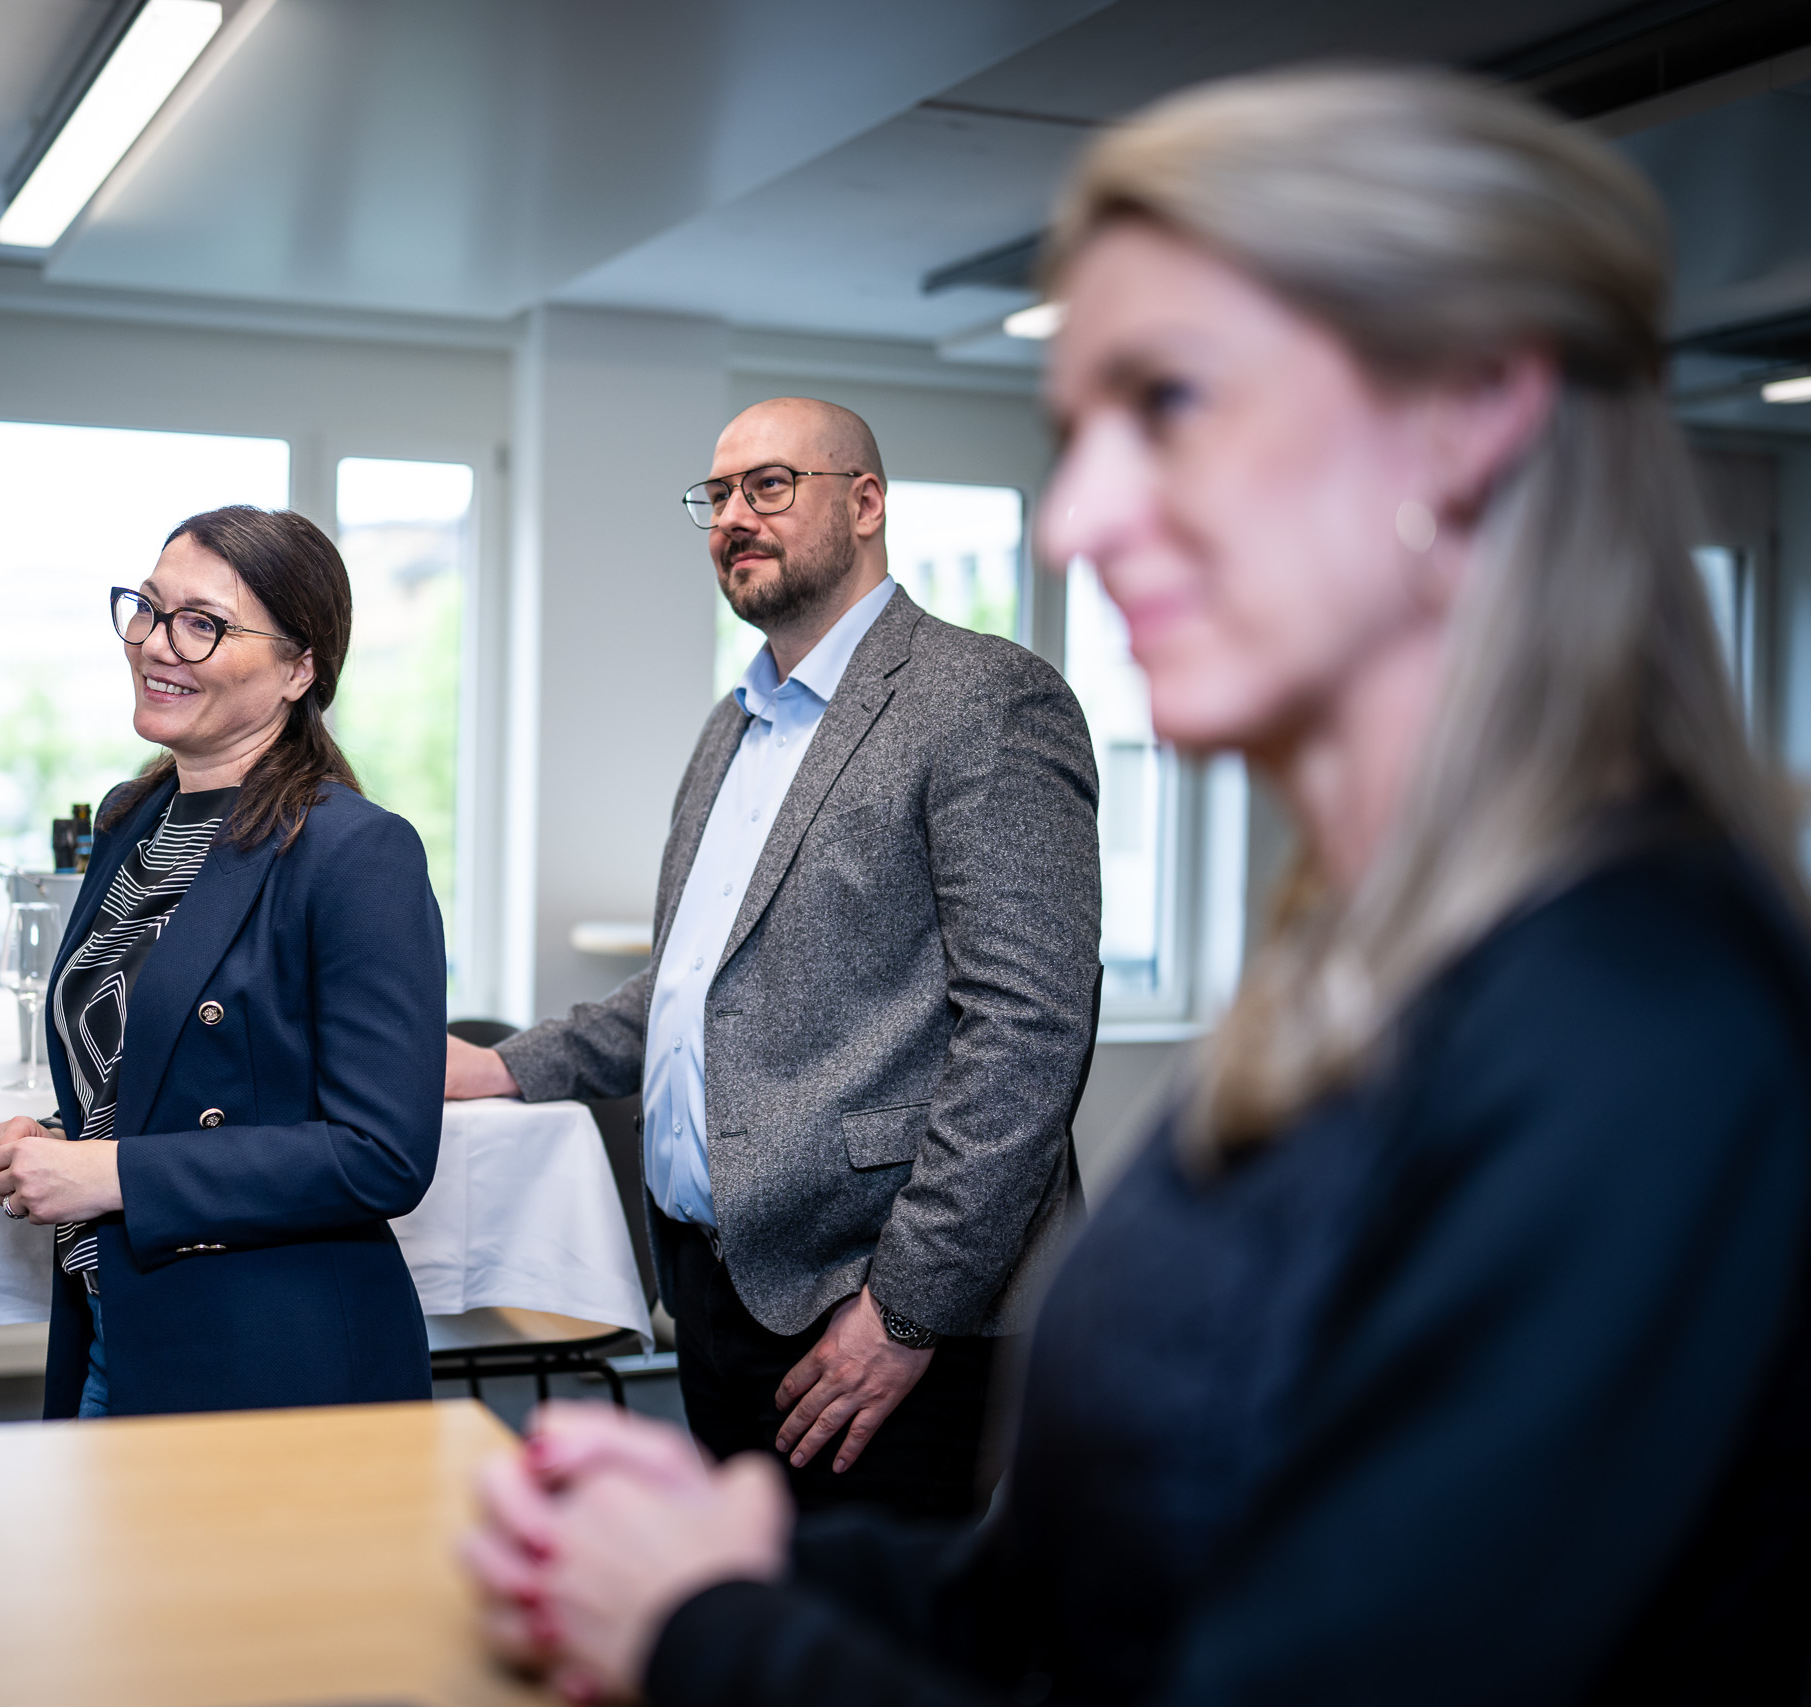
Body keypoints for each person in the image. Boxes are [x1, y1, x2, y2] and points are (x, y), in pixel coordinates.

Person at [461, 67, 1811, 1706]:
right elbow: (1083, 1608)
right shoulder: (1369, 980)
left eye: (1169, 402)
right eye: (1077, 434)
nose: (1083, 519)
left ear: (1468, 416)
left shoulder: (1642, 1041)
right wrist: (744, 1564)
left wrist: (702, 1632)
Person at [448, 396, 1103, 1519]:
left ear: (866, 503)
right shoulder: (735, 723)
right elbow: (690, 991)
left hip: (881, 1309)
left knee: (859, 1621)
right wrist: (506, 1066)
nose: (733, 518)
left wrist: (904, 1311)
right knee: (745, 1597)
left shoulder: (984, 698)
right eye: (716, 495)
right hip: (718, 1294)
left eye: (769, 486)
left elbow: (1028, 1033)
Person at [0, 505, 446, 1418]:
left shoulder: (357, 851)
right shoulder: (132, 819)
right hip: (115, 1320)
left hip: (268, 1356)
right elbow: (156, 1067)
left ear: (300, 668)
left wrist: (109, 1173)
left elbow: (383, 1154)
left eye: (204, 624)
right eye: (150, 608)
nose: (158, 644)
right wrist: (58, 1139)